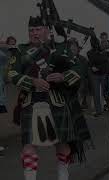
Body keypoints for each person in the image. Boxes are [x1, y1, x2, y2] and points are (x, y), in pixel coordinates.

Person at [8, 16, 92, 180]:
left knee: (63, 145)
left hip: (57, 101)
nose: (34, 33)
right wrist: (32, 81)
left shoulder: (61, 49)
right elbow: (11, 74)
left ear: (46, 30)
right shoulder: (21, 51)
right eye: (31, 30)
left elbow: (80, 66)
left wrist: (63, 76)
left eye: (38, 29)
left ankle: (63, 175)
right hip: (30, 102)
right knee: (28, 147)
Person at [87, 32, 108, 117]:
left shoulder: (102, 50)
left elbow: (106, 62)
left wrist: (97, 67)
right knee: (97, 93)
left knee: (103, 92)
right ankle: (98, 110)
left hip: (102, 73)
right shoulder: (91, 52)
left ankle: (102, 109)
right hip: (97, 74)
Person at [68, 38, 90, 109]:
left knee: (80, 92)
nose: (73, 49)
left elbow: (85, 71)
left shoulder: (83, 59)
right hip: (69, 81)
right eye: (71, 48)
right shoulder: (65, 59)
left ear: (78, 49)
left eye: (74, 47)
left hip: (80, 81)